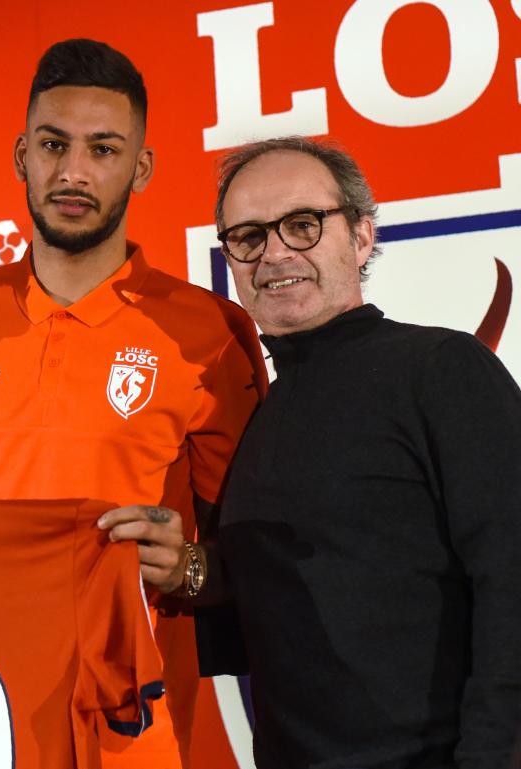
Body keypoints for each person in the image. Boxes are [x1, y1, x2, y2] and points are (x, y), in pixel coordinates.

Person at [0, 39, 265, 767]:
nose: (73, 171)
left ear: (141, 168)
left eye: (104, 149)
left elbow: (255, 544)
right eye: (53, 144)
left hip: (138, 723)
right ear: (20, 155)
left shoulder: (206, 329)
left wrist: (190, 566)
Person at [214, 136, 521, 768]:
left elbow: (513, 579)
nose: (273, 252)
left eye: (302, 225)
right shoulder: (256, 418)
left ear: (360, 237)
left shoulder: (441, 370)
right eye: (247, 236)